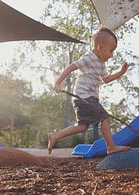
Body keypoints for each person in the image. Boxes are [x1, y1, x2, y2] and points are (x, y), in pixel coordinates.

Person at [48, 27, 130, 155]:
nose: (112, 55)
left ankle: (55, 136)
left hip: (86, 99)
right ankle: (111, 146)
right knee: (105, 118)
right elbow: (71, 68)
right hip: (84, 97)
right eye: (111, 50)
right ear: (100, 47)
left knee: (82, 127)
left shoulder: (101, 64)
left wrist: (121, 72)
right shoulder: (89, 58)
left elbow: (106, 79)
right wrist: (58, 82)